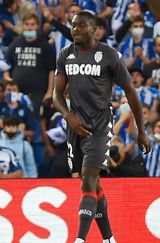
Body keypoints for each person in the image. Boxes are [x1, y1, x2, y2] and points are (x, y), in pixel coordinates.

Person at [53, 11, 151, 243]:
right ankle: (108, 239)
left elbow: (131, 94)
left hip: (99, 126)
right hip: (75, 126)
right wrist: (69, 117)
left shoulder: (109, 55)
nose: (75, 29)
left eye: (80, 26)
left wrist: (141, 131)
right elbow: (56, 96)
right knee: (92, 184)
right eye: (73, 25)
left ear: (94, 28)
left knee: (88, 178)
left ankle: (80, 239)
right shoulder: (65, 55)